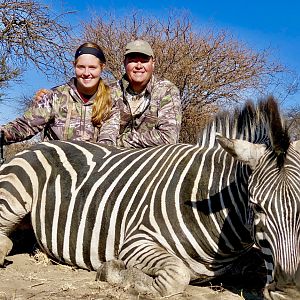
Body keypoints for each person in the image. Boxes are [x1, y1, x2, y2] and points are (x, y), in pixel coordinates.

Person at [0, 42, 111, 144]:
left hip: (96, 164)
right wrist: (2, 134)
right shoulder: (54, 97)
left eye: (92, 67)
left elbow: (108, 141)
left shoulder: (111, 100)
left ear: (102, 67)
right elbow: (25, 126)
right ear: (74, 65)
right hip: (54, 163)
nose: (86, 73)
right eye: (81, 67)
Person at [97, 39, 182, 148]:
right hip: (114, 159)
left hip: (152, 160)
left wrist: (121, 142)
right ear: (124, 63)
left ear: (153, 64)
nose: (138, 65)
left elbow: (168, 137)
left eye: (144, 60)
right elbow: (105, 134)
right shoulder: (110, 90)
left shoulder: (167, 90)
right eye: (132, 60)